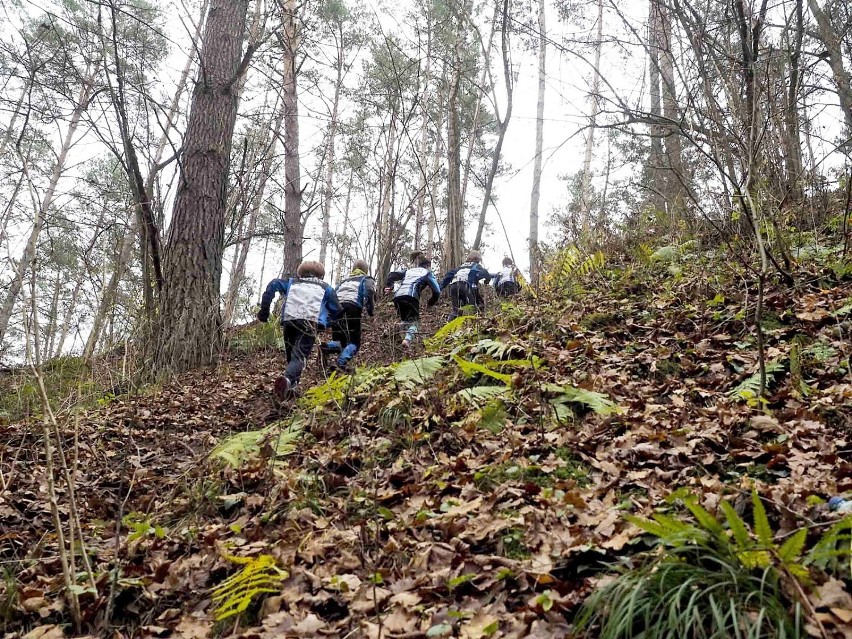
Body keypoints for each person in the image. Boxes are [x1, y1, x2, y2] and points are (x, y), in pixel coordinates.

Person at [257, 260, 341, 399]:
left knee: (292, 356)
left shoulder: (291, 283)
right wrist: (327, 322)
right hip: (310, 323)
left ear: (300, 272)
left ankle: (291, 387)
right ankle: (287, 380)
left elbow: (273, 284)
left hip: (290, 321)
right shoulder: (326, 288)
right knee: (299, 356)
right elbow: (337, 309)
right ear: (321, 275)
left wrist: (264, 311)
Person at [322, 259, 375, 372]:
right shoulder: (366, 279)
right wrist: (370, 310)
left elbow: (332, 294)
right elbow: (369, 291)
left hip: (336, 308)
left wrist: (328, 316)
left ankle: (326, 347)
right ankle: (340, 363)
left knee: (339, 341)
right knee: (354, 342)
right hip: (352, 307)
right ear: (365, 270)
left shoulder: (343, 281)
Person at [385, 251, 441, 350]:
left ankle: (390, 330)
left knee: (405, 321)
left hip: (398, 296)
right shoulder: (427, 273)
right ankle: (407, 340)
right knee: (415, 323)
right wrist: (431, 302)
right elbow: (437, 291)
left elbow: (391, 275)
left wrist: (390, 286)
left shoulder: (409, 271)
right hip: (411, 296)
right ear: (427, 266)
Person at [440, 250, 492, 321]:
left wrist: (441, 287)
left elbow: (449, 274)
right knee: (472, 307)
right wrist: (487, 281)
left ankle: (450, 326)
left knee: (456, 310)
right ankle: (471, 324)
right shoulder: (476, 265)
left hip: (453, 286)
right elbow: (485, 273)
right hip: (466, 286)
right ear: (478, 259)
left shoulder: (461, 267)